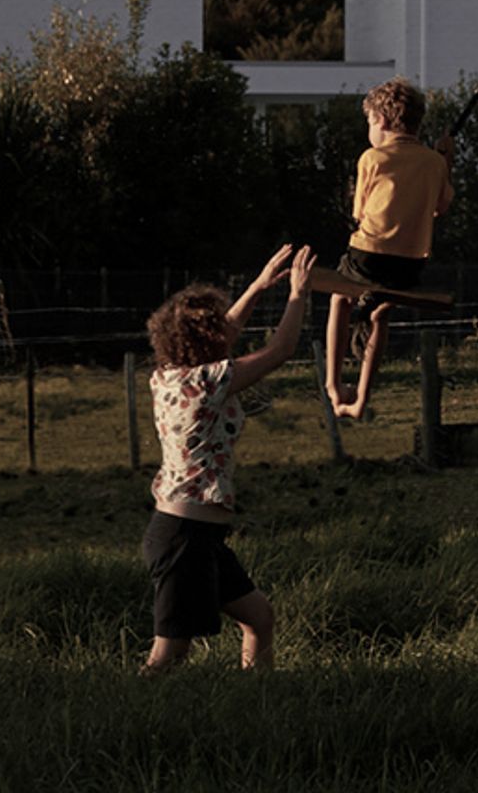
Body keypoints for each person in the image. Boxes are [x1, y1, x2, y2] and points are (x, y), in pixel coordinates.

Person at [140, 241, 317, 674]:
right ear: (207, 341)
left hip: (198, 535)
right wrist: (297, 294)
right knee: (169, 657)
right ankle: (130, 716)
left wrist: (258, 285)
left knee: (259, 618)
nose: (228, 332)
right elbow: (279, 351)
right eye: (217, 329)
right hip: (185, 536)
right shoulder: (206, 382)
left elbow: (226, 333)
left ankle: (258, 703)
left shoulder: (168, 377)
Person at [326, 77, 453, 422]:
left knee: (339, 297)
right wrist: (446, 160)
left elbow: (358, 213)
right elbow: (440, 207)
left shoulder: (373, 157)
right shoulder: (434, 162)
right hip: (411, 263)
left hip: (370, 252)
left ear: (381, 120)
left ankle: (335, 387)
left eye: (369, 121)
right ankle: (362, 398)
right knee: (381, 314)